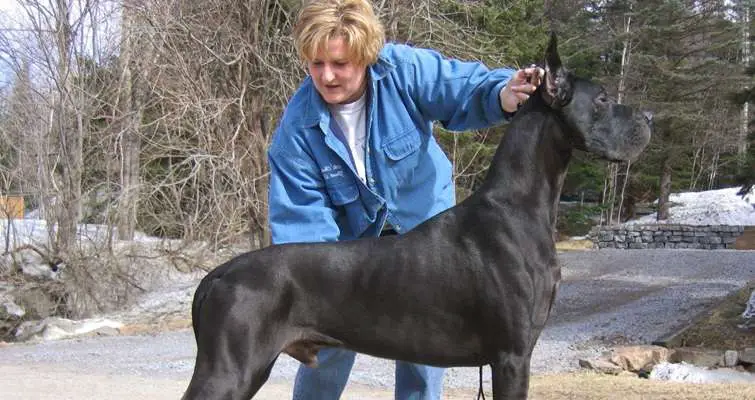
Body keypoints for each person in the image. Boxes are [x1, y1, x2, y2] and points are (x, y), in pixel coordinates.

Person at [266, 0, 543, 398]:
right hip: (350, 251)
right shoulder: (296, 131)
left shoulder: (403, 70)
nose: (326, 76)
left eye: (340, 64)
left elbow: (465, 88)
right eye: (315, 63)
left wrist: (505, 93)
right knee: (325, 348)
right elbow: (302, 224)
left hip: (428, 237)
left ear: (365, 56)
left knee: (424, 355)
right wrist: (316, 294)